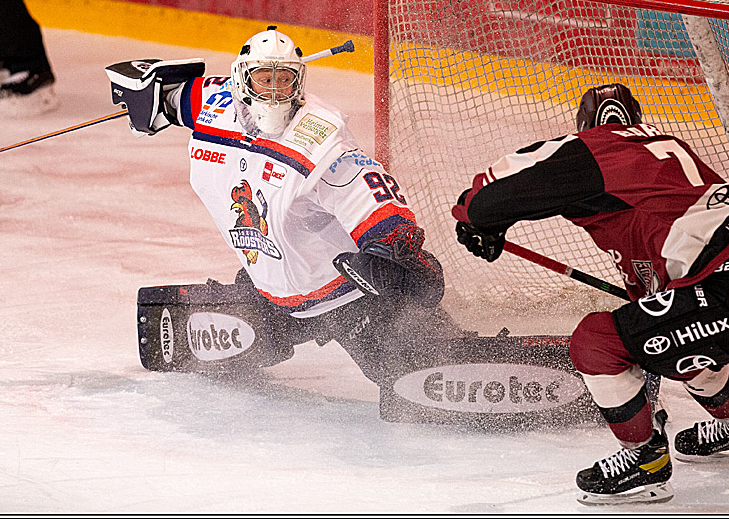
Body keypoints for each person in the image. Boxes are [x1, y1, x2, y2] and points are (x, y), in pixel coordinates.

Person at [451, 83, 729, 505]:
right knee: (661, 330)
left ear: (585, 127)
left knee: (597, 342)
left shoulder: (595, 148)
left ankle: (644, 462)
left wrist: (476, 219)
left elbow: (492, 194)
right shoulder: (663, 150)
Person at [107, 27, 462, 388]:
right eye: (264, 79)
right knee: (219, 344)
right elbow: (177, 98)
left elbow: (364, 186)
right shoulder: (215, 103)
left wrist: (391, 242)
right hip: (269, 294)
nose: (275, 91)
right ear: (242, 80)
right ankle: (265, 315)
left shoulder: (320, 139)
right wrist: (150, 97)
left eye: (285, 79)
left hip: (347, 297)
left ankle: (457, 348)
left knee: (420, 376)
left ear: (300, 81)